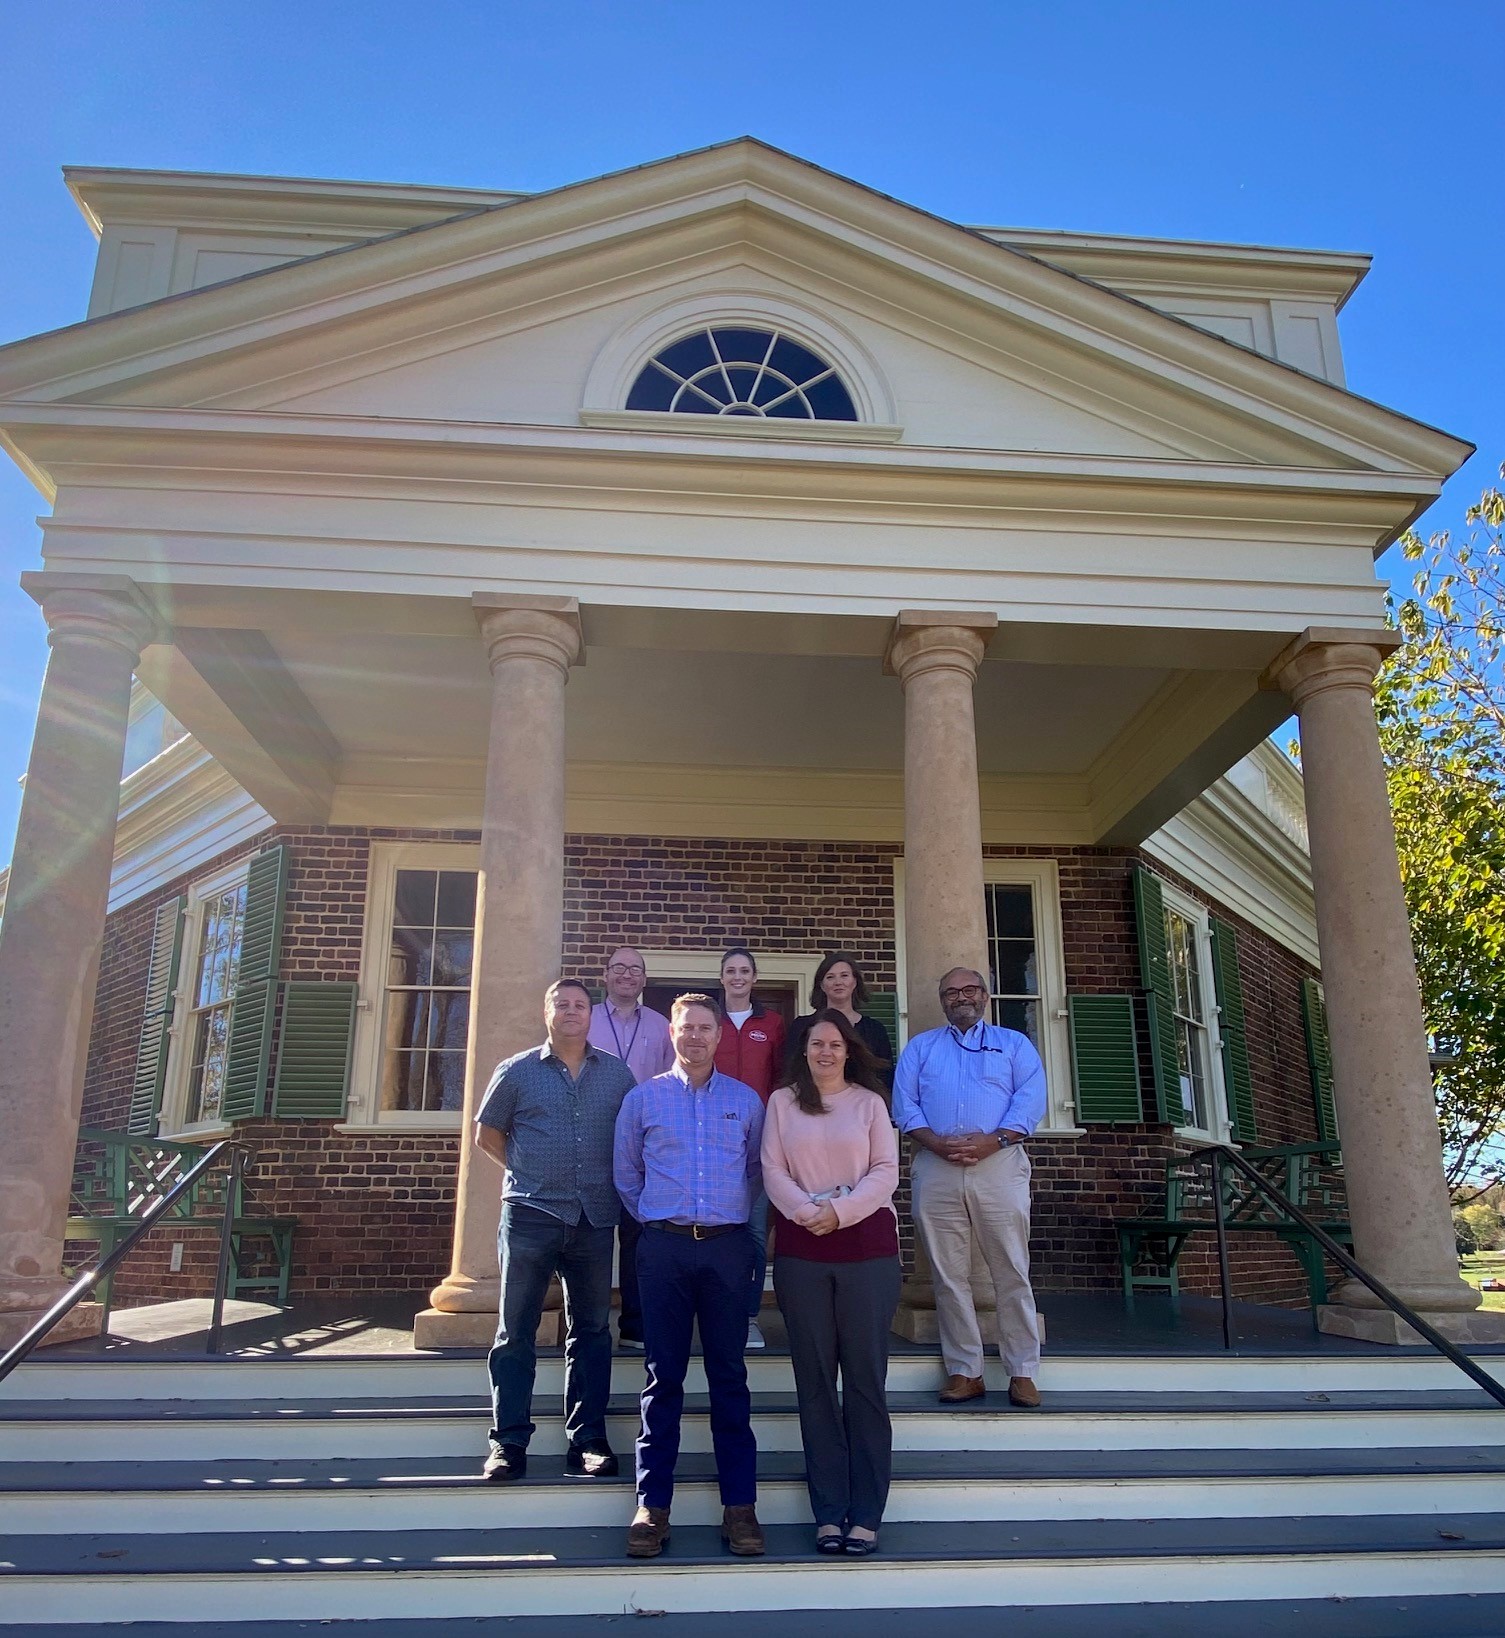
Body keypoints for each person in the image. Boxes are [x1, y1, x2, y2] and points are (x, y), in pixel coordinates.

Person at [614, 993, 766, 1560]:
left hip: (727, 1252)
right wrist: (662, 1221)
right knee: (663, 1378)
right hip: (664, 1252)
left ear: (720, 1035)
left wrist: (720, 1221)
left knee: (730, 1377)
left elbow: (755, 1174)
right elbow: (626, 1174)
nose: (695, 1037)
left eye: (705, 1027)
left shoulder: (747, 1102)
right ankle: (652, 1508)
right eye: (686, 1027)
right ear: (671, 1033)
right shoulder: (643, 1098)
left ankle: (741, 1509)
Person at [474, 978, 637, 1482]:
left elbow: (632, 1136)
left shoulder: (617, 1074)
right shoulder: (517, 1072)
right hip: (530, 1214)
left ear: (592, 1015)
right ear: (547, 1013)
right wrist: (529, 1175)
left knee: (590, 1331)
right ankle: (508, 1443)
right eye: (561, 1004)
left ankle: (587, 1439)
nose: (571, 1011)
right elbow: (487, 1134)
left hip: (593, 1219)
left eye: (579, 1005)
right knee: (515, 1331)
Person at [763, 1009, 900, 1556]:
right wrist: (806, 1212)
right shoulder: (781, 1103)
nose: (825, 1052)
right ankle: (828, 1512)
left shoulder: (870, 1104)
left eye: (835, 1044)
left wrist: (839, 1213)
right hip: (802, 1253)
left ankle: (866, 1512)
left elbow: (885, 1172)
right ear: (804, 1050)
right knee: (816, 1384)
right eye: (816, 1043)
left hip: (867, 1252)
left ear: (849, 1051)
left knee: (864, 1381)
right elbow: (772, 1169)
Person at [891, 966, 1048, 1408]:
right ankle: (965, 1370)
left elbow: (1030, 1100)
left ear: (985, 995)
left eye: (970, 990)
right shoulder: (921, 1049)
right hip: (936, 1167)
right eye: (951, 992)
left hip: (999, 1164)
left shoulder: (1015, 1045)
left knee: (1011, 1270)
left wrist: (993, 1141)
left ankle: (1022, 1370)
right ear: (942, 1000)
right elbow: (905, 1106)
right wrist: (937, 1144)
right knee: (948, 1274)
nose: (961, 997)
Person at [589, 945, 675, 1352]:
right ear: (605, 976)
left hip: (644, 1142)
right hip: (591, 1134)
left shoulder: (661, 1026)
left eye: (635, 969)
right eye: (618, 968)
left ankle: (634, 1326)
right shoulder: (584, 1019)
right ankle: (588, 1325)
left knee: (638, 1231)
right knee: (588, 1231)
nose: (627, 975)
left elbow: (675, 1080)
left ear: (644, 979)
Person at [714, 946, 787, 1349]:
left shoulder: (773, 1023)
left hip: (760, 1142)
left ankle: (749, 1316)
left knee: (755, 1234)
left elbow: (780, 1078)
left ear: (754, 978)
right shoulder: (710, 1020)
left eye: (745, 971)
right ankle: (716, 1314)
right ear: (722, 978)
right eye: (731, 971)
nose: (738, 977)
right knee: (717, 1231)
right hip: (714, 1142)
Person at [788, 951, 895, 1092]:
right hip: (810, 1104)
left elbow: (886, 1077)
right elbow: (790, 1070)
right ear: (822, 985)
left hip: (862, 1108)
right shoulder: (801, 1026)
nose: (838, 982)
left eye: (844, 976)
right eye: (830, 977)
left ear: (855, 982)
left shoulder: (875, 1030)